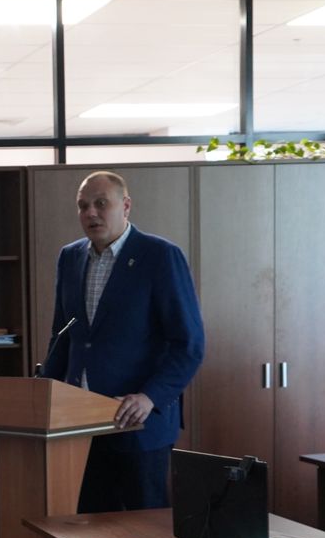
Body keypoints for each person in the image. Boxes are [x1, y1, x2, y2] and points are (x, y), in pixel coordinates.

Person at [41, 170, 205, 511]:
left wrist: (150, 397)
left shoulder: (159, 255)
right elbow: (63, 335)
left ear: (126, 206)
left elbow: (188, 344)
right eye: (83, 206)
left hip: (137, 423)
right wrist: (43, 394)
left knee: (143, 532)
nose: (91, 213)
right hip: (80, 425)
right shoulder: (70, 257)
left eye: (101, 203)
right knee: (88, 529)